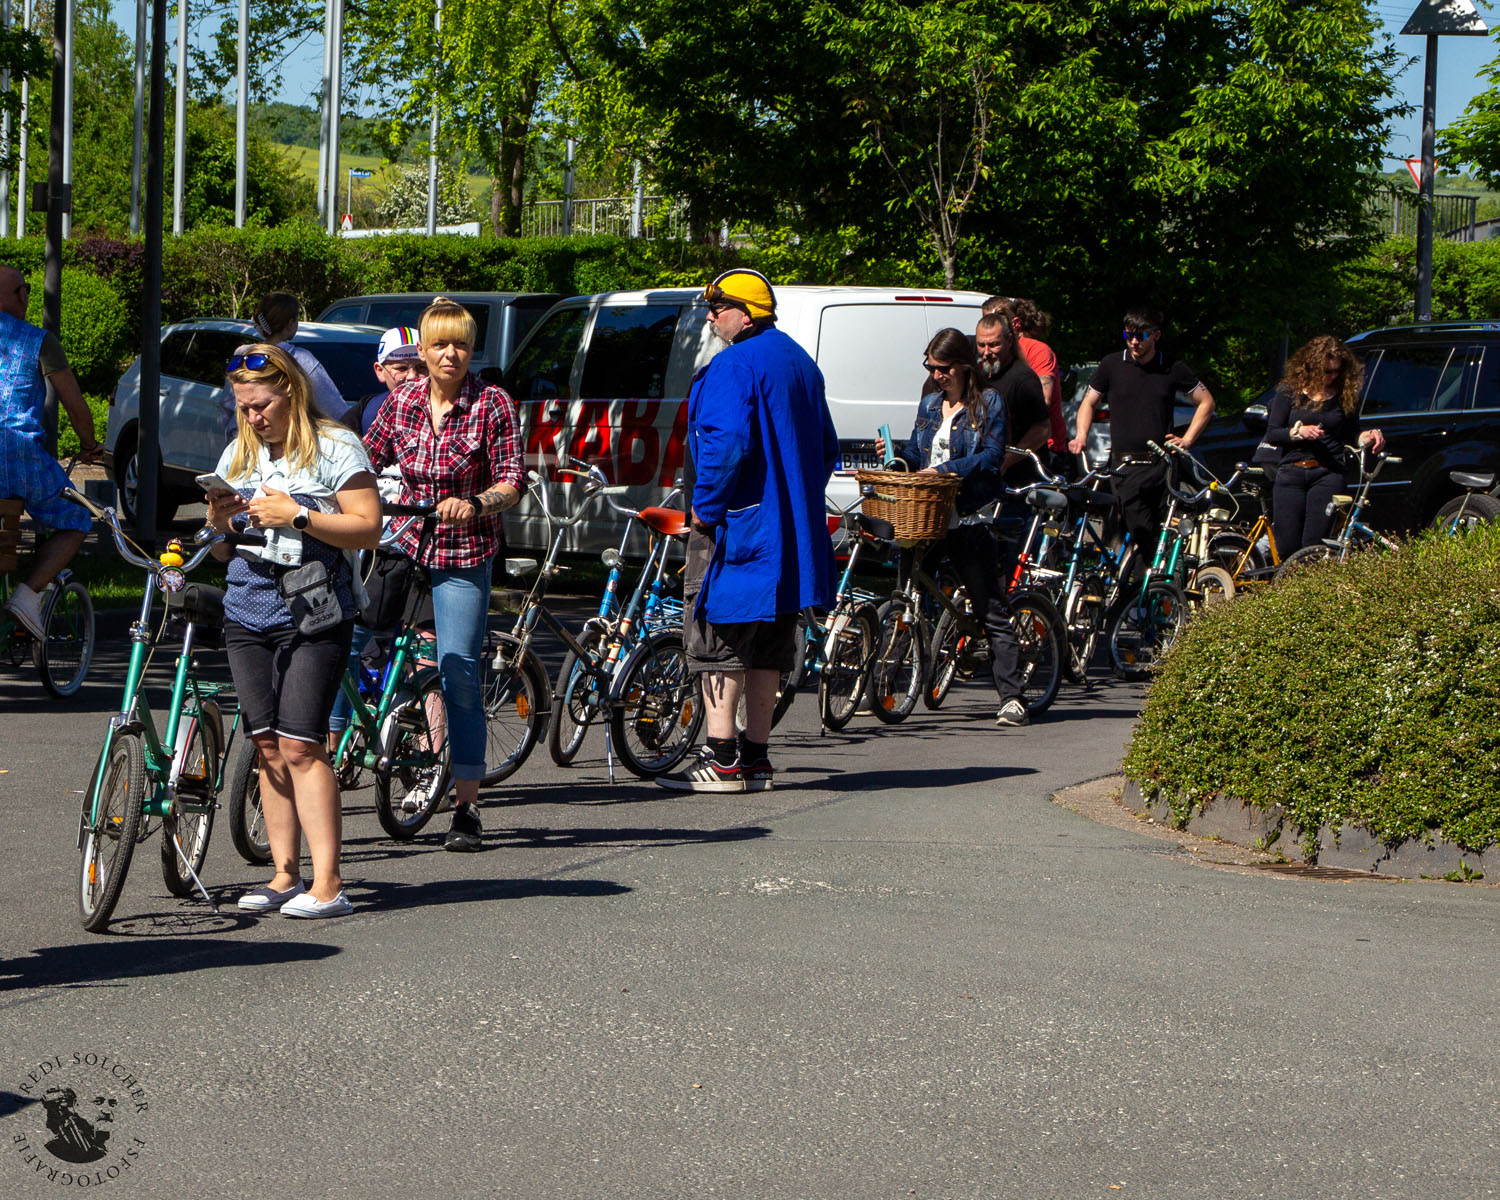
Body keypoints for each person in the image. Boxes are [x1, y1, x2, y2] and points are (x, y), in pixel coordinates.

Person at [205, 344, 382, 918]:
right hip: (248, 607)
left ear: (292, 394)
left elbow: (367, 528)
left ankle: (329, 884)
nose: (253, 417)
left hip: (316, 610)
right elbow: (226, 545)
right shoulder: (239, 451)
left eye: (262, 405)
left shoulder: (335, 446)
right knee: (266, 745)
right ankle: (284, 874)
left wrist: (299, 515)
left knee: (302, 745)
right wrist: (218, 523)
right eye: (244, 407)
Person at [658, 268, 839, 792]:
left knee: (719, 638)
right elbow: (825, 450)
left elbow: (726, 445)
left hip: (739, 528)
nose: (711, 316)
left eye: (719, 307)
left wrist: (705, 511)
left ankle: (721, 760)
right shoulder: (802, 363)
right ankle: (756, 760)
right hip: (792, 533)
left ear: (748, 313)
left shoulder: (732, 365)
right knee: (771, 647)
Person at [364, 298, 523, 851]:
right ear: (423, 352)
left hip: (462, 550)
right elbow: (364, 459)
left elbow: (511, 479)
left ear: (471, 349)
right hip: (405, 540)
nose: (449, 354)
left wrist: (476, 503)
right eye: (439, 345)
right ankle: (338, 757)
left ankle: (467, 808)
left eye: (459, 344)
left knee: (458, 673)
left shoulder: (493, 403)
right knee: (350, 636)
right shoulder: (402, 401)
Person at [876, 327, 1030, 727]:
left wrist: (945, 470)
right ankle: (884, 685)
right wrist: (896, 455)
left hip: (968, 514)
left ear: (963, 366)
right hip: (927, 515)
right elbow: (916, 451)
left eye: (943, 368)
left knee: (989, 608)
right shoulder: (930, 404)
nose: (936, 374)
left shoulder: (988, 403)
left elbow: (992, 456)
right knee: (905, 597)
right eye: (930, 366)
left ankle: (1012, 698)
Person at [0, 264, 103, 640]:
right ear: (19, 296)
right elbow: (74, 405)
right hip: (19, 454)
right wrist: (90, 445)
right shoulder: (38, 340)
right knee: (75, 518)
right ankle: (27, 597)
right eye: (25, 290)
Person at [1069, 305, 1215, 560]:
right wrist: (1081, 435)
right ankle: (1137, 585)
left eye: (1141, 336)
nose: (1134, 342)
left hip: (1160, 465)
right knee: (1136, 528)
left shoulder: (1172, 367)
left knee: (1152, 530)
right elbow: (1088, 402)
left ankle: (1148, 588)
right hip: (1123, 464)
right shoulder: (1112, 364)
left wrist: (1187, 439)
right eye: (1129, 336)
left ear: (1156, 335)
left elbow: (1206, 402)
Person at [1265, 335, 1384, 555]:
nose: (1332, 377)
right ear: (1311, 367)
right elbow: (1272, 434)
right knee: (1288, 544)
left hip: (1327, 473)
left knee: (1315, 545)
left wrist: (1368, 436)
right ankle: (1288, 585)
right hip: (1292, 471)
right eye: (1327, 371)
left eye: (1337, 371)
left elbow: (1351, 435)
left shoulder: (1344, 396)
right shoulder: (1289, 392)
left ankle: (1311, 584)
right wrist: (1297, 432)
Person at [217, 292, 352, 435]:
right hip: (289, 448)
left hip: (246, 445)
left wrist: (236, 441)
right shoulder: (300, 360)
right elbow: (337, 412)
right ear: (290, 323)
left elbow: (226, 409)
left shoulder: (242, 359)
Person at [984, 296, 1069, 467]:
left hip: (1043, 450)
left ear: (1014, 324)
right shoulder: (988, 356)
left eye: (996, 321)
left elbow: (1043, 401)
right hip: (1004, 448)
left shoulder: (1038, 350)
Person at [353, 326, 426, 435]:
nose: (412, 376)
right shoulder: (366, 412)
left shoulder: (452, 409)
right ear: (380, 371)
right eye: (401, 368)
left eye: (422, 367)